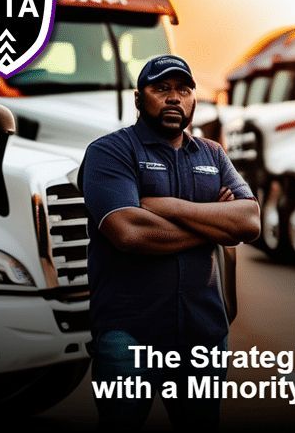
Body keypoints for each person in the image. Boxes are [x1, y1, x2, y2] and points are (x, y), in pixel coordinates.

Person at [80, 54, 260, 431]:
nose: (174, 98)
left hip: (202, 334)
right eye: (161, 88)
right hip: (129, 331)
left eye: (183, 89)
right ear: (139, 98)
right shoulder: (110, 152)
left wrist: (168, 207)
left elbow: (248, 220)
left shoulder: (212, 153)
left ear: (194, 99)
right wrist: (214, 222)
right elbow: (129, 232)